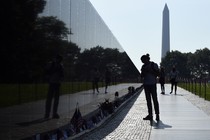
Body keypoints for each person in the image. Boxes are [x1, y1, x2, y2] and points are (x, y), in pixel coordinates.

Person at [140, 54, 160, 121]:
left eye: (143, 60)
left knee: (154, 100)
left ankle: (157, 114)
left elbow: (158, 74)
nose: (142, 62)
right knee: (148, 101)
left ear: (147, 59)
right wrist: (144, 72)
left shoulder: (153, 65)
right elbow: (142, 76)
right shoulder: (143, 66)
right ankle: (150, 115)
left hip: (152, 84)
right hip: (146, 84)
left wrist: (151, 71)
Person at [44, 55, 64, 119]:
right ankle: (47, 114)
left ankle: (54, 113)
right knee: (49, 99)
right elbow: (46, 72)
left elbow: (62, 75)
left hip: (57, 84)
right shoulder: (50, 64)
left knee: (56, 100)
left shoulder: (61, 66)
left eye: (59, 60)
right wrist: (47, 77)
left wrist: (60, 80)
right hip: (52, 83)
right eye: (57, 59)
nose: (58, 60)